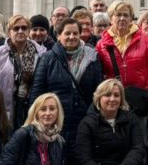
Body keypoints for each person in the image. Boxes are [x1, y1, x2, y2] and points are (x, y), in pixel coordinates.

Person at [28, 18, 104, 152]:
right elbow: (37, 91)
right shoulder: (47, 58)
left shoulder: (92, 57)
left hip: (84, 120)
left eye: (75, 33)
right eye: (67, 33)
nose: (71, 37)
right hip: (55, 121)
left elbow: (98, 92)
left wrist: (93, 117)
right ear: (58, 35)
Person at [97, 1, 148, 118]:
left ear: (131, 18)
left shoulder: (143, 39)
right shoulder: (102, 44)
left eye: (126, 15)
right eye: (118, 15)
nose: (122, 18)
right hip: (113, 102)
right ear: (111, 18)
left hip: (139, 101)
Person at [0, 14, 48, 128]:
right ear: (9, 32)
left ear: (28, 31)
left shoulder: (41, 54)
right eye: (16, 28)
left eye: (24, 28)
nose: (20, 31)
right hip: (3, 107)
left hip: (30, 106)